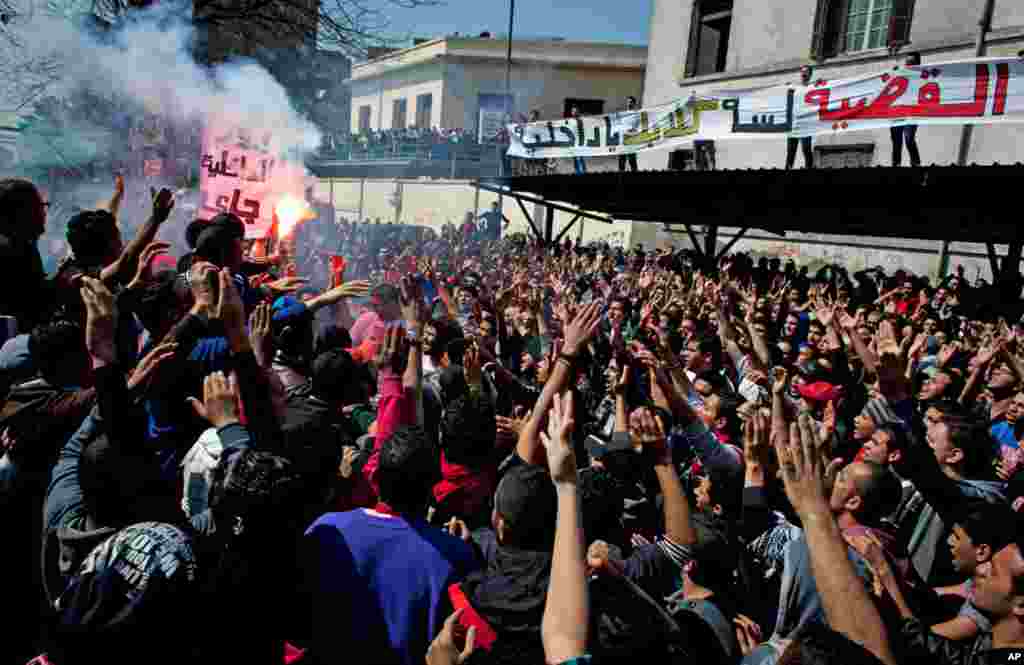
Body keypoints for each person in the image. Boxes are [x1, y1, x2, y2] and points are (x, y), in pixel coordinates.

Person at [0, 179, 51, 332]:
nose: (44, 213)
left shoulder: (18, 244)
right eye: (41, 206)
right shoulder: (17, 249)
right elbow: (33, 306)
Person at [891, 52, 923, 167]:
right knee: (896, 141)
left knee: (909, 139)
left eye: (911, 63)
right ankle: (896, 164)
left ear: (917, 64)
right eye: (907, 62)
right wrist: (893, 74)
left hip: (912, 112)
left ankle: (916, 163)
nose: (908, 65)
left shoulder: (921, 75)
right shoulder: (900, 74)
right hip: (897, 112)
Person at [786, 66, 815, 169]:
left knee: (806, 149)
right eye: (802, 72)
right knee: (790, 151)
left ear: (810, 75)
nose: (803, 74)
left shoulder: (813, 88)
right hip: (794, 124)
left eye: (806, 72)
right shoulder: (794, 88)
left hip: (806, 124)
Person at [619, 97, 639, 173]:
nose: (629, 104)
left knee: (632, 162)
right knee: (621, 161)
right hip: (623, 141)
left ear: (634, 103)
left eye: (631, 102)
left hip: (631, 141)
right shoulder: (623, 115)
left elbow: (636, 127)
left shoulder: (636, 115)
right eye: (628, 102)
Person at [569, 107, 587, 175]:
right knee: (575, 158)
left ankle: (583, 171)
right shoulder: (570, 120)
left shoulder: (580, 120)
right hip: (573, 142)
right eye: (573, 111)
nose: (574, 112)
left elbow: (582, 130)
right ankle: (577, 172)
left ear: (578, 112)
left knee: (580, 157)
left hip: (579, 142)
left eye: (575, 111)